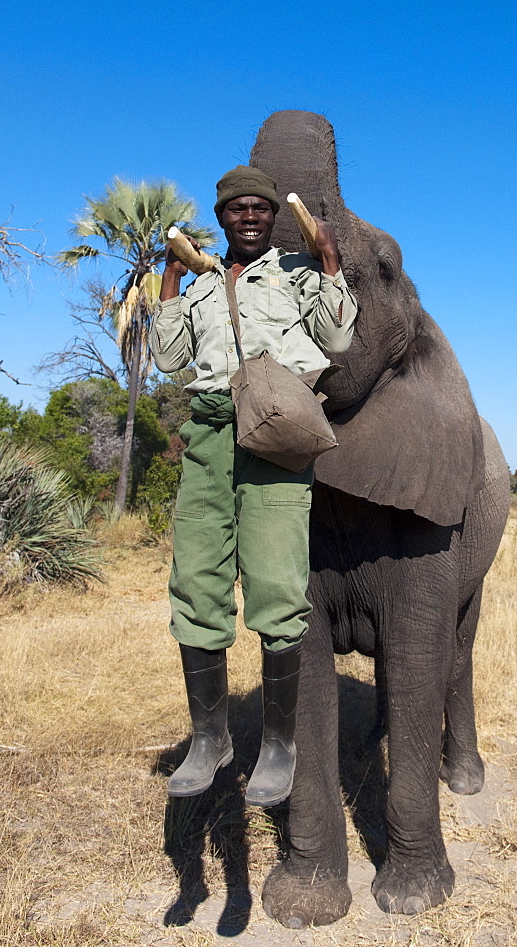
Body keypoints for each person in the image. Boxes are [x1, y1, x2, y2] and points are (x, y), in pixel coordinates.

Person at [149, 166, 357, 806]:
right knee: (196, 582)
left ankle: (278, 743)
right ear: (221, 218)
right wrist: (171, 279)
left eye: (258, 208)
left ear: (271, 217)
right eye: (236, 208)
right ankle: (209, 738)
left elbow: (339, 337)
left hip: (272, 434)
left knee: (275, 585)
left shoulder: (296, 274)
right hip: (209, 437)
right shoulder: (203, 285)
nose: (248, 216)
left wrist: (328, 262)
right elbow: (168, 359)